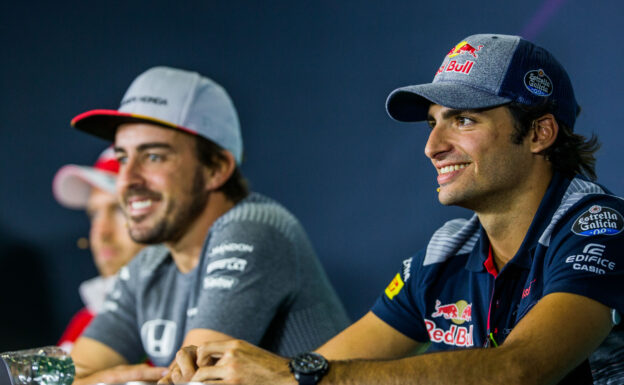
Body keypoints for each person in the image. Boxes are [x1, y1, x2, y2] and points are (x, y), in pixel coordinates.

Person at [166, 34, 624, 385]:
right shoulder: (446, 252)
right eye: (432, 122)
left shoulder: (599, 227)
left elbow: (521, 370)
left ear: (540, 134)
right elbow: (328, 365)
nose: (432, 146)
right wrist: (231, 368)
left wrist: (296, 375)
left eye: (464, 120)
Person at [68, 66, 350, 385]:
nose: (128, 179)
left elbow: (193, 382)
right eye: (122, 159)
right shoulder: (149, 263)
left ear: (217, 168)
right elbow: (72, 377)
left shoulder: (254, 228)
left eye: (153, 157)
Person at [53, 147, 144, 353]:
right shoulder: (85, 320)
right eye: (94, 214)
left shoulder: (198, 312)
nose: (100, 233)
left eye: (120, 209)